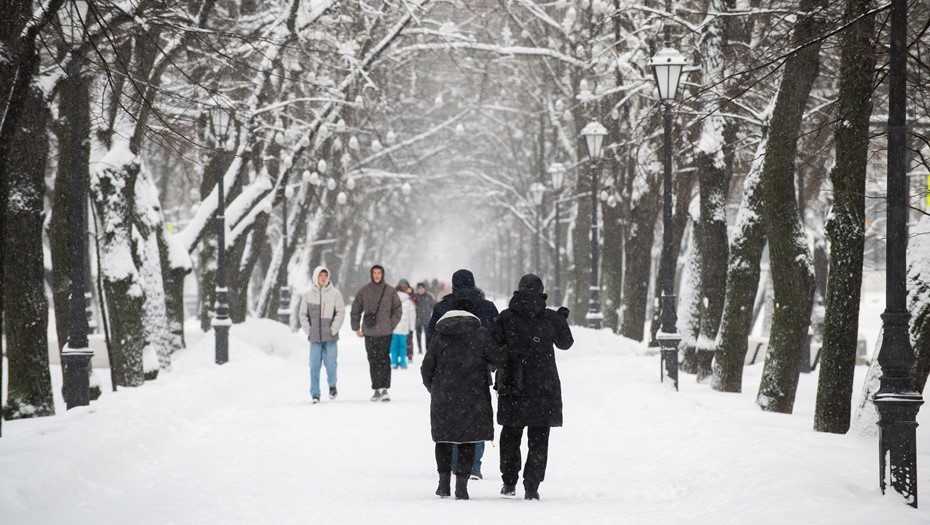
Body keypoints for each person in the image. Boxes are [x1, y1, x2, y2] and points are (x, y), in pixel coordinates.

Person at [491, 274, 574, 500]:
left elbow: (492, 346)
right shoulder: (549, 318)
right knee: (539, 438)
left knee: (510, 434)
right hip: (543, 387)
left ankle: (509, 482)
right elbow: (566, 343)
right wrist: (561, 320)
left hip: (512, 384)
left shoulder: (505, 318)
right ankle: (532, 486)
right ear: (541, 292)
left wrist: (508, 357)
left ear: (518, 291)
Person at [421, 307, 503, 500]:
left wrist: (434, 389)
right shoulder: (480, 335)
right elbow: (498, 358)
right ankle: (461, 487)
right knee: (468, 439)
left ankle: (443, 484)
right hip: (473, 396)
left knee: (443, 439)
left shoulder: (439, 336)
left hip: (443, 395)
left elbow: (426, 368)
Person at [426, 269, 499, 480]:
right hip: (478, 372)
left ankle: (456, 464)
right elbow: (495, 339)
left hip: (446, 375)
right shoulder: (487, 307)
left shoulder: (442, 307)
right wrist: (490, 365)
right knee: (476, 418)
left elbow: (432, 340)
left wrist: (434, 373)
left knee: (451, 418)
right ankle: (474, 465)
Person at [350, 265, 402, 402]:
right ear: (371, 274)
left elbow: (397, 309)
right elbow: (355, 308)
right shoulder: (365, 291)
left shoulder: (390, 291)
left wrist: (391, 324)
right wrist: (356, 327)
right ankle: (376, 389)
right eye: (374, 273)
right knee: (372, 360)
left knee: (384, 359)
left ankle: (385, 389)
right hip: (369, 331)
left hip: (385, 331)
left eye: (379, 273)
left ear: (383, 274)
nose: (377, 275)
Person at [297, 266, 345, 403]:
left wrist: (333, 329)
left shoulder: (335, 294)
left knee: (331, 364)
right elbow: (302, 315)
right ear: (315, 277)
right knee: (314, 366)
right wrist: (309, 330)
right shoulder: (307, 296)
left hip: (330, 338)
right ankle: (315, 394)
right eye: (320, 275)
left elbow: (340, 313)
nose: (323, 278)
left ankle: (332, 385)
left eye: (325, 275)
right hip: (315, 339)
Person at [390, 279, 416, 369]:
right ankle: (403, 362)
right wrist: (411, 328)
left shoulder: (392, 300)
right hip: (404, 329)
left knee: (394, 346)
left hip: (394, 327)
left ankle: (394, 361)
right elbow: (412, 316)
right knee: (403, 346)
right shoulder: (409, 302)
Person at [413, 282, 436, 354]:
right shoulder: (415, 297)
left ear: (424, 289)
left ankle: (428, 348)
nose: (420, 290)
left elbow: (434, 306)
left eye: (422, 288)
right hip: (417, 320)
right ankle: (419, 349)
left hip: (427, 320)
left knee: (428, 336)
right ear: (417, 289)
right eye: (419, 288)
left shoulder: (429, 296)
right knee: (418, 336)